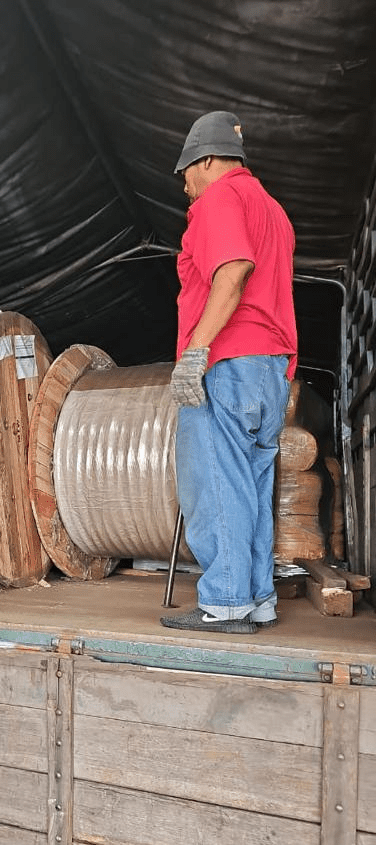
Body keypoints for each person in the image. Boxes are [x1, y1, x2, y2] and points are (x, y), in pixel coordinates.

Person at [160, 110, 297, 635]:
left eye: (187, 173)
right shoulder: (273, 210)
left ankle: (224, 603)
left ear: (209, 160)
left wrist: (196, 351)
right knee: (252, 488)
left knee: (214, 482)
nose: (186, 187)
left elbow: (234, 268)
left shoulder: (221, 198)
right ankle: (258, 598)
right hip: (269, 371)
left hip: (229, 361)